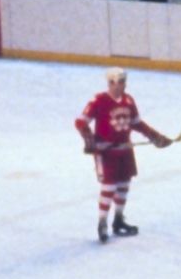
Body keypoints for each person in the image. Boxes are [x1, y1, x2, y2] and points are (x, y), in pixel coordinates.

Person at [74, 67, 172, 243]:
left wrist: (155, 137)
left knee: (124, 183)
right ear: (109, 82)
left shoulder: (128, 100)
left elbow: (137, 123)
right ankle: (102, 222)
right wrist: (88, 139)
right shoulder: (99, 100)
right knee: (109, 186)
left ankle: (118, 219)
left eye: (122, 82)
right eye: (115, 82)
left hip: (125, 149)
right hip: (106, 151)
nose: (119, 86)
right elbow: (81, 122)